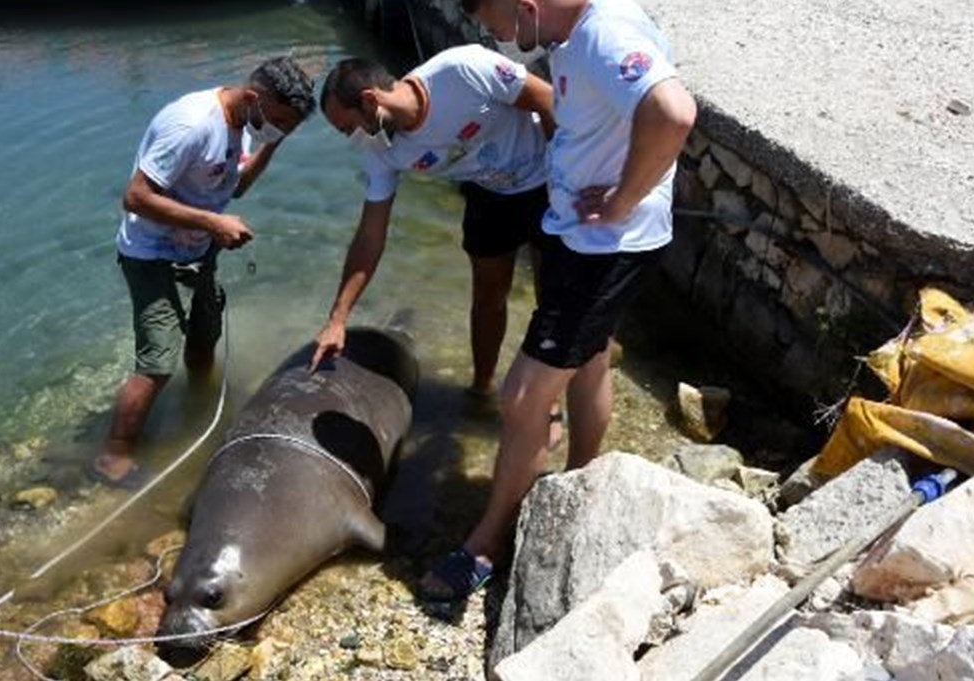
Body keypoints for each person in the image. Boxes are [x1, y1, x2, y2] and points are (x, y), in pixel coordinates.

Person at [418, 0, 698, 600]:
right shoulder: (576, 32)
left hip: (605, 246)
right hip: (581, 234)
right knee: (589, 360)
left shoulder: (604, 33)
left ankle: (487, 542)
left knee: (522, 398)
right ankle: (581, 485)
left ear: (525, 7)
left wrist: (623, 200)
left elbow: (673, 113)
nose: (495, 38)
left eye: (496, 26)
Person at [307, 46, 562, 439]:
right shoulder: (380, 150)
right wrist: (337, 319)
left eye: (348, 128)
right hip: (488, 193)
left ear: (371, 101)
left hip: (549, 181)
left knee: (555, 300)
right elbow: (370, 235)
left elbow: (548, 99)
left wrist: (568, 178)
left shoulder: (462, 70)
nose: (351, 139)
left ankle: (551, 400)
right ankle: (481, 388)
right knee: (488, 296)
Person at [88, 57, 316, 488]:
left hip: (198, 247)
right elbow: (135, 197)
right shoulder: (191, 124)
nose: (280, 129)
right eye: (279, 121)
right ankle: (111, 456)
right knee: (156, 361)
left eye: (289, 126)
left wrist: (273, 142)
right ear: (253, 98)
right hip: (152, 252)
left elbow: (238, 186)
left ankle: (197, 407)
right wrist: (214, 223)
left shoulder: (243, 124)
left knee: (203, 337)